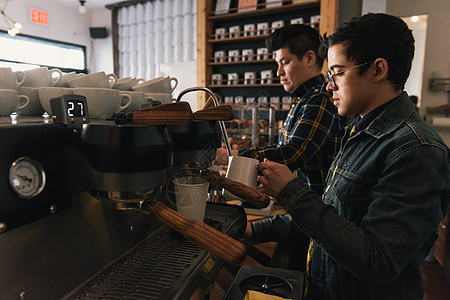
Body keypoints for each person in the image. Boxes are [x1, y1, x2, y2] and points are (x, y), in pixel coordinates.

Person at [256, 13, 450, 299]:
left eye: (337, 73)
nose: (328, 85)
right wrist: (253, 231)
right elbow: (332, 216)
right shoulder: (360, 130)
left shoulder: (417, 150)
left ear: (378, 70)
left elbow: (377, 261)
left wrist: (291, 192)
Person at [216, 24, 347, 270]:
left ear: (309, 58)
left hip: (317, 218)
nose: (278, 72)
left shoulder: (319, 99)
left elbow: (293, 153)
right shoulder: (303, 100)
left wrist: (234, 156)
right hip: (301, 215)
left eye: (284, 62)